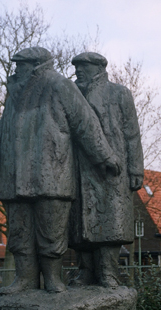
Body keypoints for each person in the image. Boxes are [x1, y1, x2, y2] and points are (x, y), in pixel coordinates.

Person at [0, 47, 120, 294]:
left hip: (52, 175)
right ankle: (25, 279)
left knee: (51, 233)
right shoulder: (15, 93)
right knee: (20, 234)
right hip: (14, 176)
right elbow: (2, 130)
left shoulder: (60, 86)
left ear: (37, 65)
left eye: (21, 64)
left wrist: (104, 156)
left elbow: (86, 124)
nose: (16, 68)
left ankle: (53, 278)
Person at [69, 52, 144, 287]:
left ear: (99, 67)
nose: (78, 70)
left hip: (113, 169)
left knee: (110, 220)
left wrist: (136, 170)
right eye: (76, 67)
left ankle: (108, 272)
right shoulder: (71, 93)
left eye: (83, 66)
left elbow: (132, 134)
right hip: (77, 166)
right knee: (80, 221)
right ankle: (86, 270)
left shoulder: (119, 93)